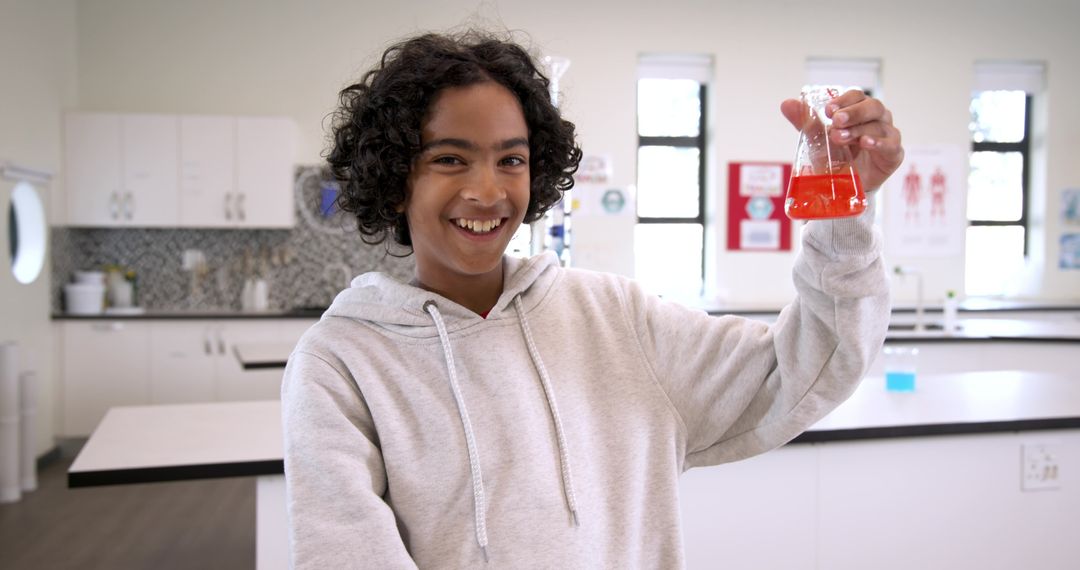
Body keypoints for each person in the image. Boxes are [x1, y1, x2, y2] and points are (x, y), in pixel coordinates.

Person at [281, 30, 904, 568]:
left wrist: (843, 212)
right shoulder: (341, 363)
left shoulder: (616, 320)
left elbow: (806, 367)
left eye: (511, 159)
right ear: (395, 180)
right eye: (450, 158)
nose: (487, 191)